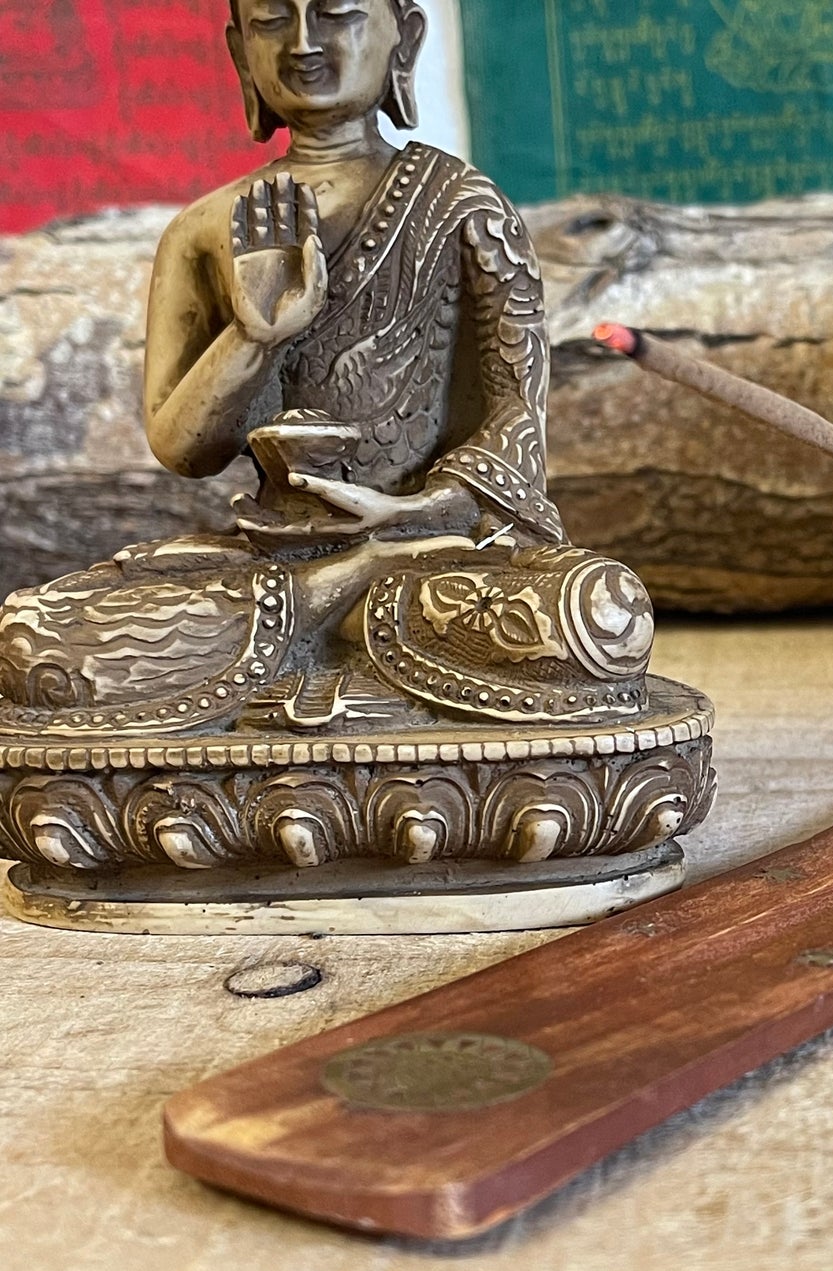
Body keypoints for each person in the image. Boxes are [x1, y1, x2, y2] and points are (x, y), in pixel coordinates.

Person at [0, 0, 653, 734]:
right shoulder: (206, 230)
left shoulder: (465, 209)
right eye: (272, 20)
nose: (304, 41)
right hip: (271, 562)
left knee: (594, 614)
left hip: (428, 557)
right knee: (36, 641)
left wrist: (402, 515)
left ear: (402, 36)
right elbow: (184, 448)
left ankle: (335, 607)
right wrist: (255, 335)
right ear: (240, 51)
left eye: (336, 13)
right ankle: (327, 603)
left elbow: (515, 429)